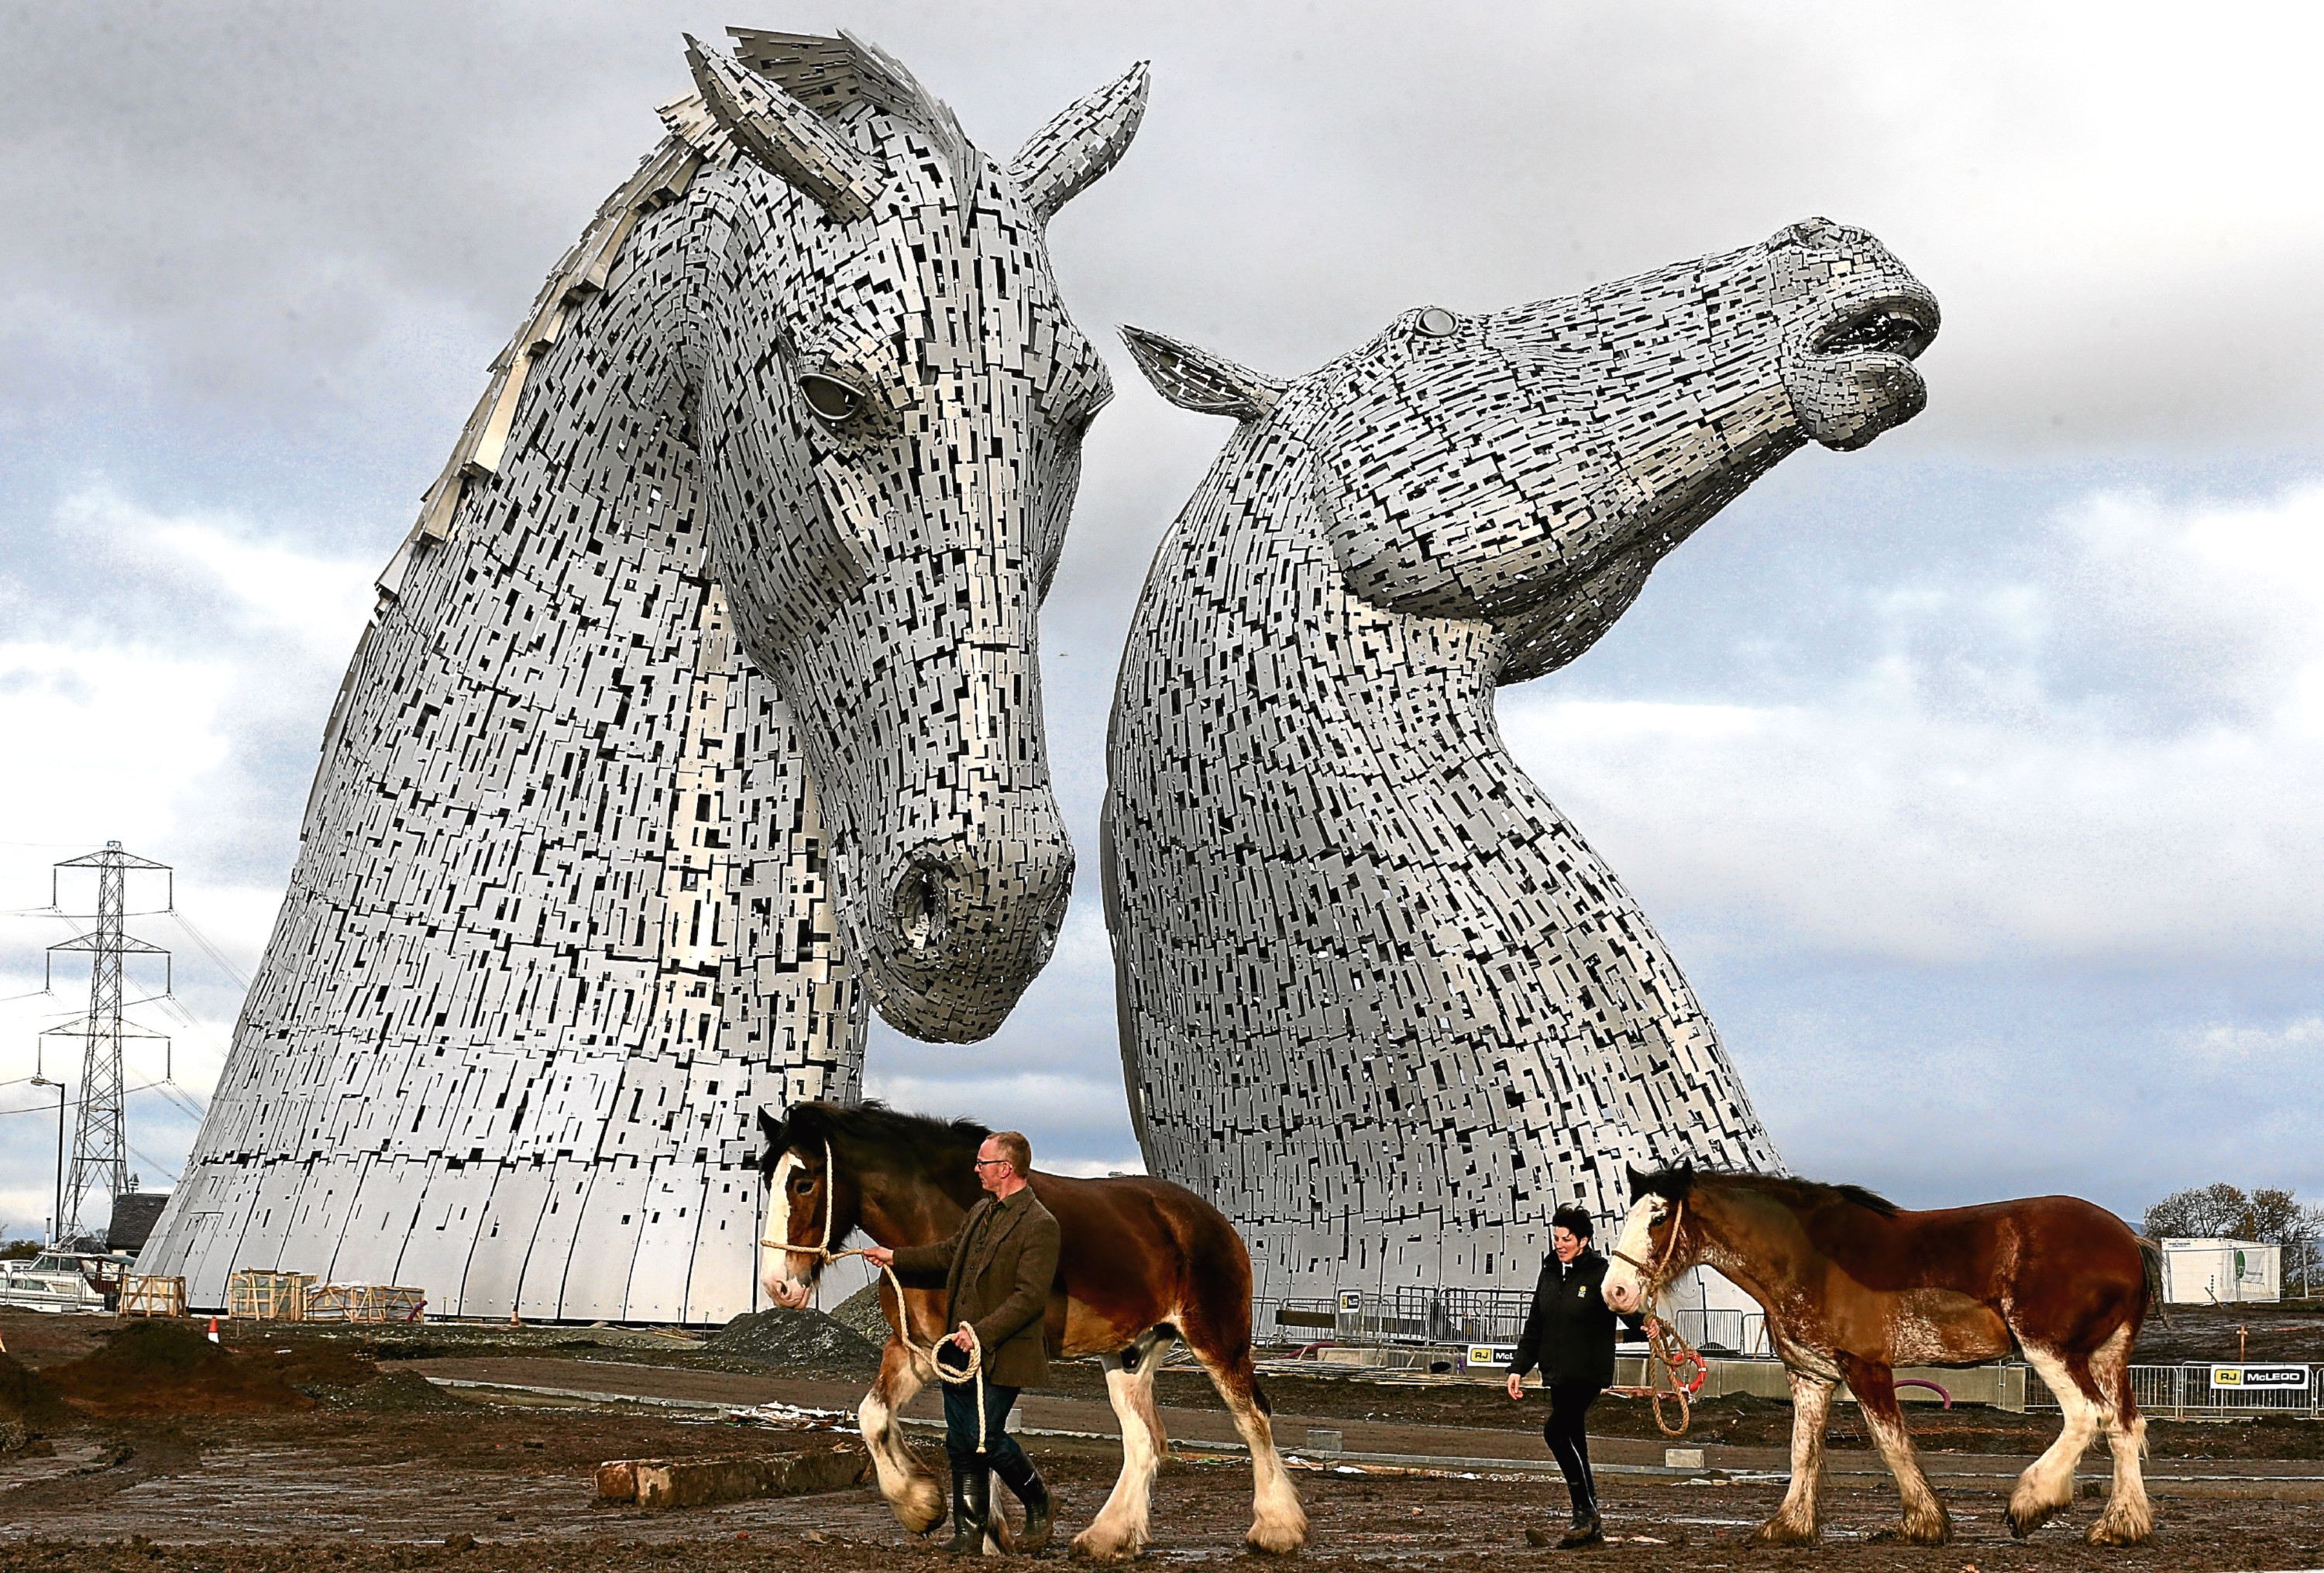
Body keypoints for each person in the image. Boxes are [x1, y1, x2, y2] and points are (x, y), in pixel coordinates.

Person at [864, 1130, 1061, 1555]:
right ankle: (969, 1533)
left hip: (1002, 1351)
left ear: (1005, 1169)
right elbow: (949, 1253)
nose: (976, 1170)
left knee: (984, 1436)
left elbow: (1029, 1298)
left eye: (983, 1163)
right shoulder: (980, 1212)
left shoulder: (1040, 1225)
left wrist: (980, 1332)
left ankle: (1039, 1499)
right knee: (960, 1440)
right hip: (959, 1351)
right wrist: (894, 1256)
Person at [1505, 1205, 1642, 1549]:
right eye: (1556, 1237)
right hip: (1557, 1374)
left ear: (1583, 1240)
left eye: (1566, 1238)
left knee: (1554, 1431)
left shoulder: (1600, 1274)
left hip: (1587, 1373)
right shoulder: (1549, 1273)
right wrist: (1518, 1368)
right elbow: (1535, 1324)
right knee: (1576, 1442)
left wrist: (1645, 1325)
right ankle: (1590, 1525)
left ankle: (1583, 1511)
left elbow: (1624, 1307)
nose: (1560, 1244)